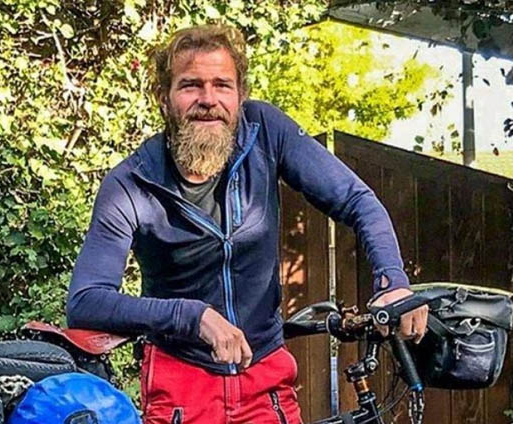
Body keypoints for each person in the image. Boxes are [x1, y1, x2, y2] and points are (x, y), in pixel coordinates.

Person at [67, 24, 428, 424]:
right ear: (164, 99)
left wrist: (392, 282)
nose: (208, 100)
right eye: (190, 85)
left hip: (264, 377)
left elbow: (356, 200)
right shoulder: (133, 183)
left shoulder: (265, 131)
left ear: (240, 95)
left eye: (222, 85)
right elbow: (86, 301)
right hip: (181, 382)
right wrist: (192, 317)